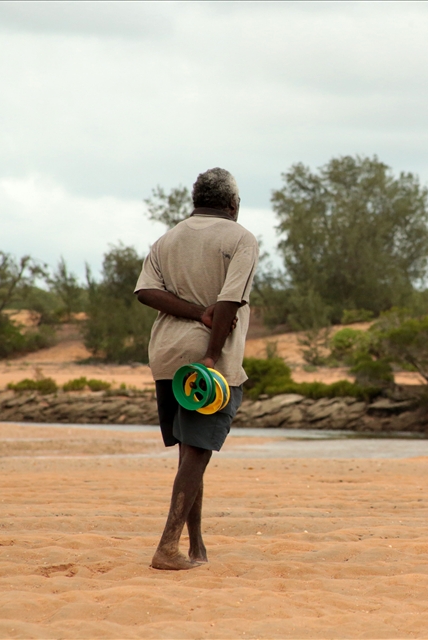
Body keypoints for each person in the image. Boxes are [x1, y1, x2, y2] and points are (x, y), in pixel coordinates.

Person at [135, 167, 258, 570]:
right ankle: (167, 548)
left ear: (195, 200)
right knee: (198, 453)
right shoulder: (241, 239)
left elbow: (146, 292)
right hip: (208, 365)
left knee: (192, 452)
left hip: (167, 358)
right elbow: (228, 303)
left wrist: (191, 312)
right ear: (233, 205)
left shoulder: (167, 239)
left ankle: (196, 547)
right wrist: (211, 352)